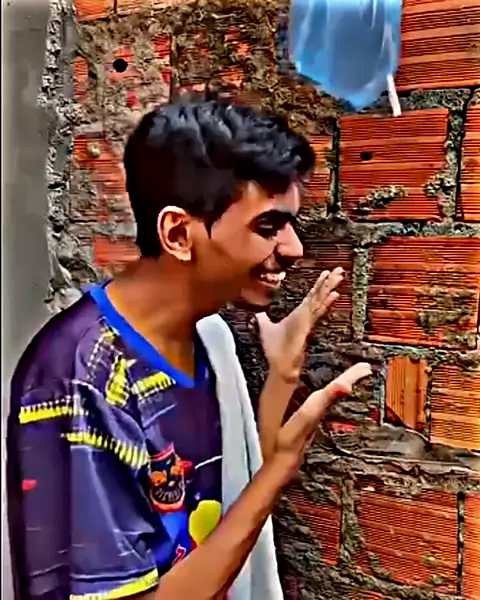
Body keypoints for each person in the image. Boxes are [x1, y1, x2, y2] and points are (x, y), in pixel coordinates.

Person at [7, 101, 370, 600]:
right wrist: (280, 471)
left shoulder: (210, 336)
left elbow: (234, 496)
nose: (294, 249)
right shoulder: (83, 378)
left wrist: (282, 375)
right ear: (179, 233)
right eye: (268, 227)